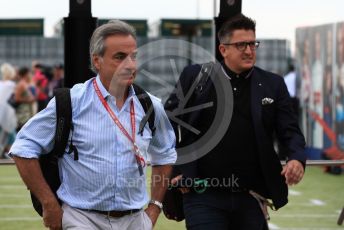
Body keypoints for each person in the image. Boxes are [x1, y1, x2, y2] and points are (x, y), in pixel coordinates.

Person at [10, 20, 177, 230]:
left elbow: (165, 154)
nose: (130, 65)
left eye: (133, 56)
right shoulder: (72, 101)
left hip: (134, 221)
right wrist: (49, 203)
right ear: (97, 61)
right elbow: (23, 147)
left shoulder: (151, 106)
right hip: (82, 219)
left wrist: (155, 207)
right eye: (119, 57)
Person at [165, 14, 306, 230]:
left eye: (252, 44)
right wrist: (178, 169)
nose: (249, 51)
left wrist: (296, 158)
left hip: (251, 195)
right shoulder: (195, 77)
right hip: (202, 194)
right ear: (224, 50)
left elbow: (290, 130)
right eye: (241, 45)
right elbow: (170, 126)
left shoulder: (273, 84)